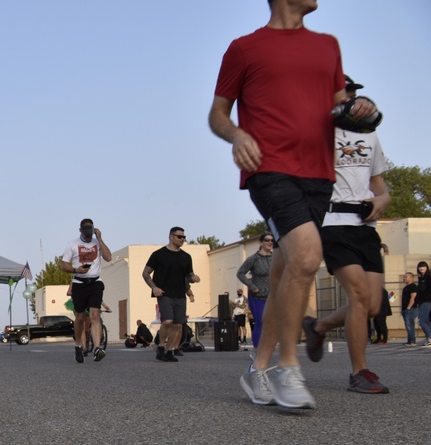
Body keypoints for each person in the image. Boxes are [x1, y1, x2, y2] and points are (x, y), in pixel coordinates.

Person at [209, 0, 378, 408]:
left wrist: (358, 111)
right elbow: (217, 114)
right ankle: (288, 367)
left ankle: (257, 369)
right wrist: (237, 136)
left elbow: (339, 109)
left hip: (320, 174)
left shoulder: (328, 46)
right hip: (268, 168)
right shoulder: (245, 48)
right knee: (306, 255)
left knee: (289, 269)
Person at [300, 75, 392, 394]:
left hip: (365, 226)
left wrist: (382, 200)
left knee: (374, 305)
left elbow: (380, 186)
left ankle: (319, 325)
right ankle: (359, 372)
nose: (351, 97)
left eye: (354, 93)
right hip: (334, 222)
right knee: (358, 297)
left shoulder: (371, 137)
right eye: (345, 93)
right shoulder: (319, 132)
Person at [143, 227, 199, 363]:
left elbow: (189, 275)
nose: (182, 240)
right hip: (164, 293)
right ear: (171, 237)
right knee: (167, 321)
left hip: (180, 294)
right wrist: (154, 287)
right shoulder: (158, 254)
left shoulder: (186, 257)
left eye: (184, 237)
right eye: (179, 237)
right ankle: (161, 346)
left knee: (178, 325)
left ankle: (169, 351)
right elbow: (145, 273)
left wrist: (194, 278)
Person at [60, 218, 112, 363]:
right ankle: (78, 345)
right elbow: (63, 265)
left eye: (91, 229)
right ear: (80, 230)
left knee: (95, 315)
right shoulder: (72, 244)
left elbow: (108, 257)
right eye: (86, 229)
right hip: (79, 283)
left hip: (95, 282)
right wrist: (76, 269)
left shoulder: (97, 242)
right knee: (81, 317)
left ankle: (96, 348)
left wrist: (100, 239)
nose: (88, 232)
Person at [236, 233, 274, 349]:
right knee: (260, 322)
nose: (269, 242)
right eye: (267, 240)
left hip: (272, 296)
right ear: (261, 242)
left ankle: (267, 348)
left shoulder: (276, 258)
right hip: (257, 296)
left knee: (270, 323)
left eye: (272, 241)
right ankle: (258, 350)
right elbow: (240, 273)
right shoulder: (253, 258)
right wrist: (252, 286)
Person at [416, 261, 431, 347]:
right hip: (422, 301)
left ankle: (429, 339)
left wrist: (423, 298)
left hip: (427, 301)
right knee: (427, 321)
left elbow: (428, 290)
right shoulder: (421, 278)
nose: (422, 268)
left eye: (424, 266)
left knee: (421, 321)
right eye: (420, 267)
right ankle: (428, 339)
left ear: (427, 267)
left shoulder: (428, 277)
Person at [400, 272, 418, 346]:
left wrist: (408, 307)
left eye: (406, 277)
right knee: (408, 325)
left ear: (411, 278)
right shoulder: (405, 288)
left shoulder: (413, 286)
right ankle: (409, 340)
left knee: (410, 324)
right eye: (404, 277)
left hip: (411, 309)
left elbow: (413, 297)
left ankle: (412, 341)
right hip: (405, 310)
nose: (404, 278)